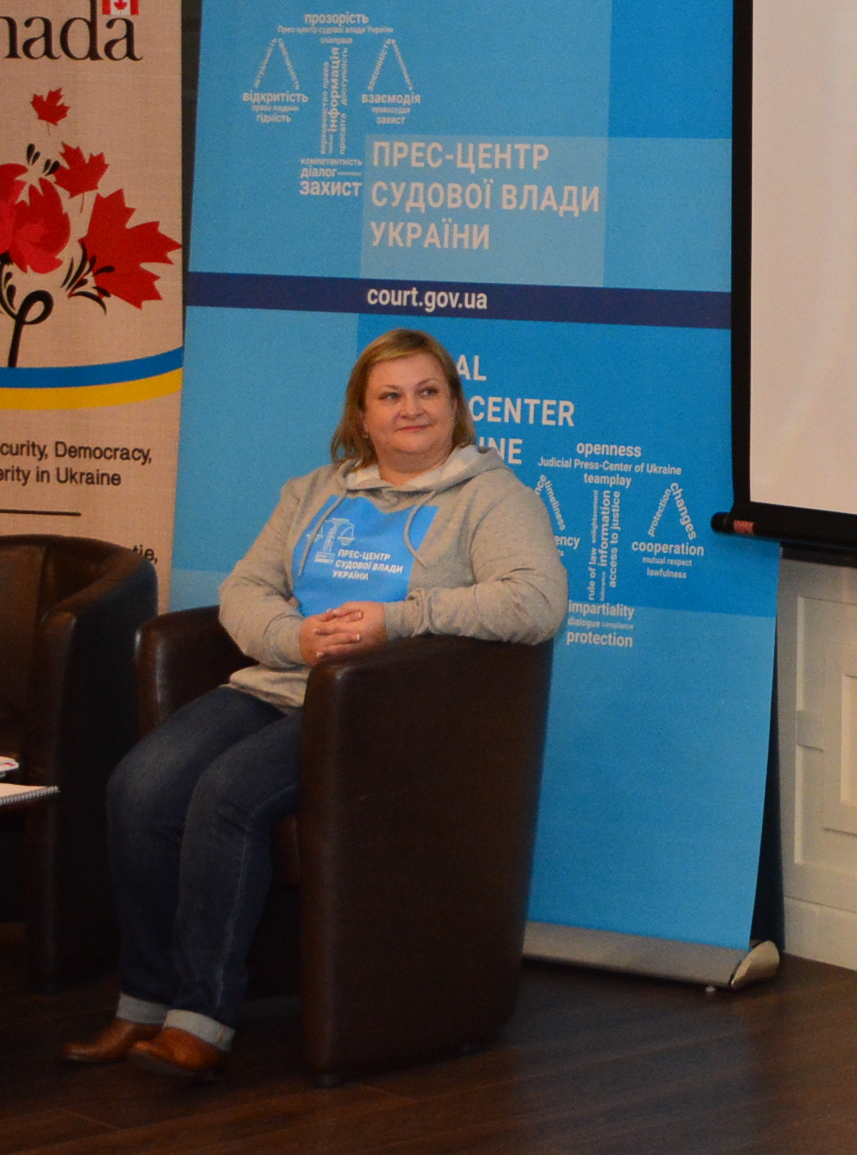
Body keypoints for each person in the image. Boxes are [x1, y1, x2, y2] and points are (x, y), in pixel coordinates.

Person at [64, 328, 567, 1080]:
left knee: (229, 794)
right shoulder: (314, 491)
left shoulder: (492, 498)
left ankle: (200, 1020)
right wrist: (291, 638)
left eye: (428, 392)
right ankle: (144, 1002)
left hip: (383, 709)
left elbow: (536, 600)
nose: (411, 409)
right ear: (362, 416)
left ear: (456, 406)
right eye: (390, 396)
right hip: (282, 680)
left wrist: (397, 619)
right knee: (139, 785)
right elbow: (244, 589)